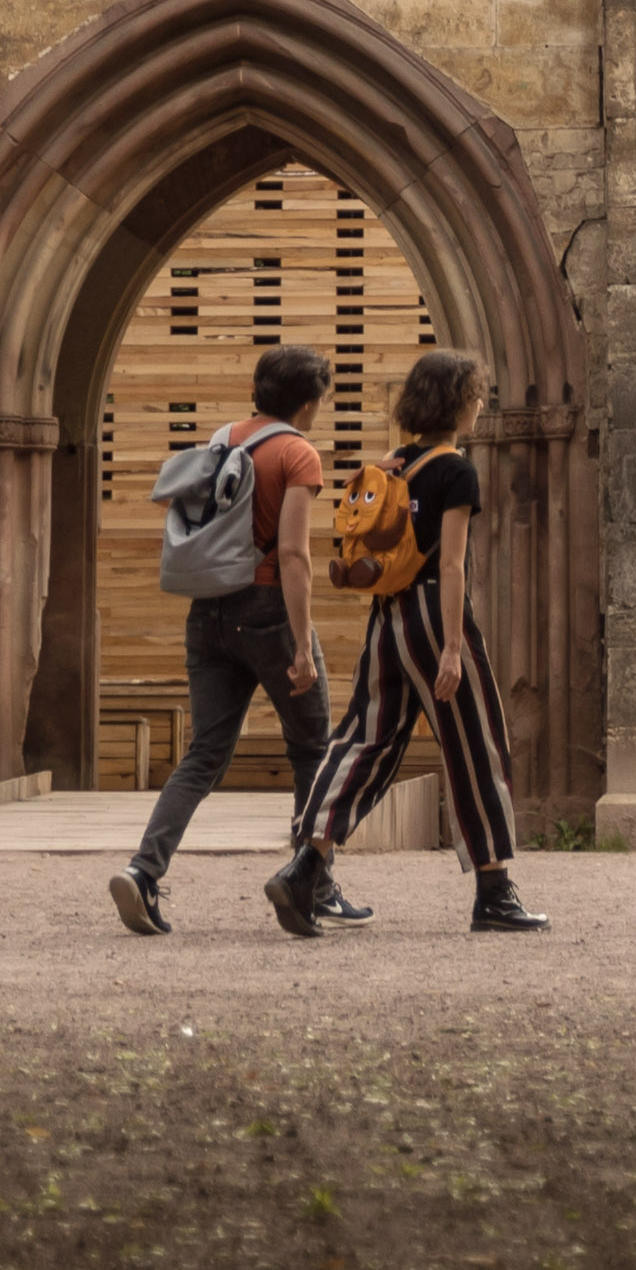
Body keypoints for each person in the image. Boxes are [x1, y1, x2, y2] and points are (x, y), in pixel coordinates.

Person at [269, 346, 552, 937]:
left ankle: (304, 865)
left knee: (363, 740)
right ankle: (494, 891)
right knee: (476, 743)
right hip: (430, 613)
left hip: (386, 616)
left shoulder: (392, 465)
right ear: (461, 402)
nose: (480, 405)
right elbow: (451, 567)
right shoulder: (455, 471)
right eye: (476, 395)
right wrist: (452, 646)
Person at [111, 342, 337, 939]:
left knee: (205, 753)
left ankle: (143, 870)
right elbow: (292, 554)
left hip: (206, 611)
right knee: (314, 747)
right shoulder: (297, 454)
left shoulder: (222, 440)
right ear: (309, 403)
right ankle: (311, 880)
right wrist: (300, 639)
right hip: (266, 608)